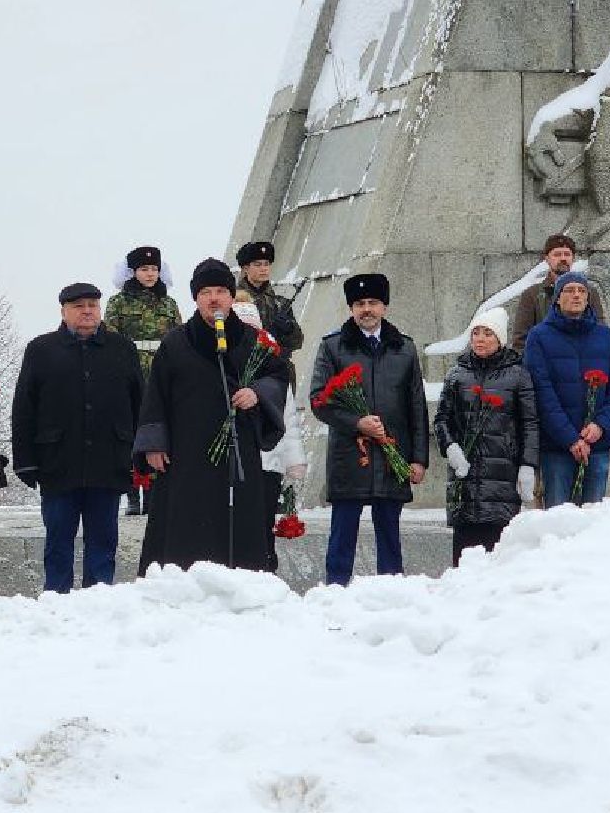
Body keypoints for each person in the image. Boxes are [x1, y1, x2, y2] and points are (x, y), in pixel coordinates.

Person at [134, 258, 285, 573]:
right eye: (205, 292)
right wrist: (154, 443)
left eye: (220, 291)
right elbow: (155, 395)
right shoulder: (175, 343)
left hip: (237, 449)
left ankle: (241, 578)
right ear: (196, 298)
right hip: (186, 451)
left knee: (238, 521)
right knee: (185, 520)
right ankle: (183, 581)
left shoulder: (253, 341)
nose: (213, 298)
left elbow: (277, 378)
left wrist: (257, 393)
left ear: (231, 297)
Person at [11, 282, 144, 593]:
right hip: (57, 463)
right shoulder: (41, 350)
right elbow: (24, 408)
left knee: (103, 544)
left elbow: (140, 404)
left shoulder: (122, 349)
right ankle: (57, 602)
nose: (87, 312)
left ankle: (98, 601)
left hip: (108, 463)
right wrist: (26, 463)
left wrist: (138, 455)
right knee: (58, 543)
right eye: (78, 306)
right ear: (64, 311)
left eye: (92, 306)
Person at [308, 273, 429, 582]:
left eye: (373, 302)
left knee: (389, 537)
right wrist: (356, 423)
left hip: (392, 458)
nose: (367, 309)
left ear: (384, 307)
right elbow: (319, 401)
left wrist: (418, 459)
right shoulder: (333, 347)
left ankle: (390, 591)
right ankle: (335, 592)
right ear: (351, 308)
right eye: (360, 304)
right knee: (342, 537)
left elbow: (417, 407)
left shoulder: (404, 348)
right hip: (350, 458)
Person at [433, 307, 538, 565]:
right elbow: (442, 419)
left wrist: (528, 465)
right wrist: (450, 447)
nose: (480, 339)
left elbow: (530, 424)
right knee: (464, 558)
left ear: (499, 339)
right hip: (465, 479)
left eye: (487, 333)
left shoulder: (518, 375)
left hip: (502, 478)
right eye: (476, 333)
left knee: (498, 555)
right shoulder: (457, 374)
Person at [522, 270, 610, 508]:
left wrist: (600, 425)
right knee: (559, 517)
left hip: (597, 445)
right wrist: (570, 438)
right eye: (569, 290)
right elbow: (541, 392)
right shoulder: (538, 337)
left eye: (582, 291)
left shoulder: (606, 336)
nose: (576, 295)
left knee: (593, 518)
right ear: (557, 298)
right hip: (557, 447)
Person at [236, 239, 303, 565]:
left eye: (266, 264)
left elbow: (297, 340)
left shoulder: (279, 302)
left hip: (275, 378)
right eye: (257, 264)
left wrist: (284, 332)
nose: (263, 269)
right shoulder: (237, 298)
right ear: (245, 268)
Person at [102, 245, 180, 516]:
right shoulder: (118, 302)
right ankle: (133, 492)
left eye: (154, 269)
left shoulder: (168, 303)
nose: (150, 274)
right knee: (131, 431)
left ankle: (154, 493)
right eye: (144, 269)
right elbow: (111, 339)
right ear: (133, 272)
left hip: (161, 374)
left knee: (157, 429)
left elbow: (178, 338)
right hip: (130, 372)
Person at [507, 233, 607, 352]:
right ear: (547, 259)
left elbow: (600, 331)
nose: (563, 258)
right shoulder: (532, 295)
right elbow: (521, 342)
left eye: (567, 254)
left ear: (573, 258)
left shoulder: (589, 292)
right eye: (557, 254)